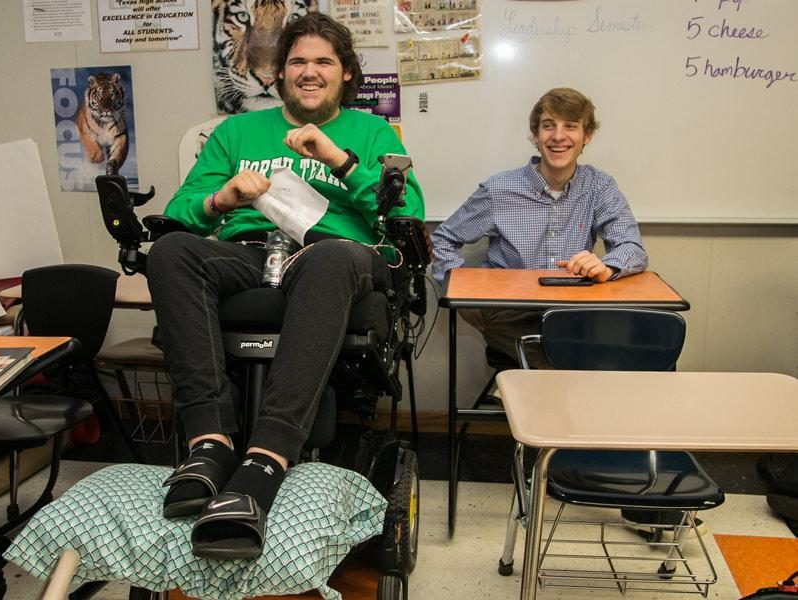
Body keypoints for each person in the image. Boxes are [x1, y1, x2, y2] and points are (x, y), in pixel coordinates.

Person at [147, 13, 424, 560]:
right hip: (247, 255)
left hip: (329, 258)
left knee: (329, 258)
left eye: (323, 61)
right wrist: (222, 199)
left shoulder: (372, 133)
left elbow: (407, 217)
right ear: (278, 74)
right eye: (297, 61)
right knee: (172, 250)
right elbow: (181, 213)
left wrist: (340, 161)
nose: (309, 71)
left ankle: (265, 461)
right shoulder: (234, 133)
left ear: (346, 73)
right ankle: (209, 445)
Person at [430, 87, 648, 365]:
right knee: (563, 360)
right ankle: (542, 395)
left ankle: (519, 395)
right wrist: (459, 293)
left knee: (631, 345)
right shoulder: (499, 189)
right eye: (548, 126)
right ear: (535, 135)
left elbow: (632, 246)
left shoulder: (600, 187)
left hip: (572, 311)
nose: (558, 136)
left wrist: (608, 267)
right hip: (508, 311)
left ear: (587, 135)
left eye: (570, 126)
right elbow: (443, 239)